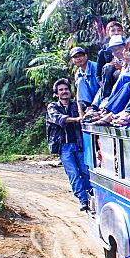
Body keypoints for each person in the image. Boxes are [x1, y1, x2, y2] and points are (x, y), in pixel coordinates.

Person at [46, 78, 92, 211]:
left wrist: (82, 112)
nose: (64, 92)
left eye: (66, 89)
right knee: (73, 174)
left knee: (85, 172)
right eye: (61, 90)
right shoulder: (53, 107)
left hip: (79, 145)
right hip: (64, 147)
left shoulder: (76, 106)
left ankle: (91, 197)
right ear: (56, 93)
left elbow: (87, 115)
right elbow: (57, 118)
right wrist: (76, 119)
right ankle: (83, 200)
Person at [69, 46, 99, 115]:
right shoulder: (78, 74)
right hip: (89, 105)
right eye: (75, 57)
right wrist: (80, 111)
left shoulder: (96, 67)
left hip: (101, 101)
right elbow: (79, 93)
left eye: (80, 56)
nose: (78, 59)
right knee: (80, 81)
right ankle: (89, 109)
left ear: (86, 56)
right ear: (72, 60)